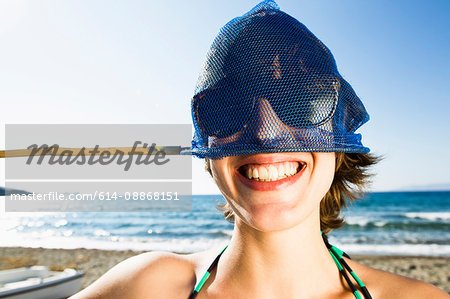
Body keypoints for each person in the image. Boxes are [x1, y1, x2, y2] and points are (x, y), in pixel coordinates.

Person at [71, 1, 448, 298]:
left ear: (340, 136)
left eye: (300, 100)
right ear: (209, 149)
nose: (265, 133)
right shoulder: (147, 288)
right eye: (228, 107)